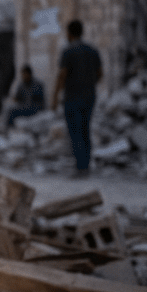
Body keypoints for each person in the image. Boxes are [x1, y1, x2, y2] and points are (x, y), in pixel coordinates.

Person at [52, 19, 102, 176]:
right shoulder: (92, 50)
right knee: (85, 130)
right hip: (89, 96)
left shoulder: (68, 51)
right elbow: (100, 73)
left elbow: (62, 75)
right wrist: (90, 83)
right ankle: (85, 165)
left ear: (69, 33)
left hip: (72, 97)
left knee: (75, 132)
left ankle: (80, 167)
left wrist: (55, 96)